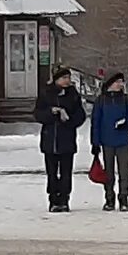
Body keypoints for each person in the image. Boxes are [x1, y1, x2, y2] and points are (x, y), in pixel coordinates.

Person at [90, 72, 128, 211]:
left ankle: (123, 198)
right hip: (106, 141)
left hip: (123, 140)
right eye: (117, 81)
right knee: (108, 172)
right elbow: (95, 122)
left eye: (121, 82)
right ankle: (109, 198)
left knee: (124, 171)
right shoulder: (101, 101)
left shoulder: (126, 100)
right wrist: (95, 143)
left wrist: (127, 124)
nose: (120, 84)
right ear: (110, 84)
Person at [38, 68, 85, 212]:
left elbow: (80, 115)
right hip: (50, 139)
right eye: (64, 78)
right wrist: (51, 113)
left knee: (66, 173)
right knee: (51, 173)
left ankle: (64, 200)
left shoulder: (73, 95)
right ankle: (53, 200)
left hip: (67, 139)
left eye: (68, 78)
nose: (67, 81)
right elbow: (38, 114)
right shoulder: (46, 93)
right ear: (56, 79)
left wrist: (69, 120)